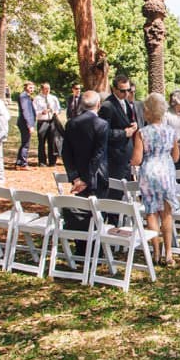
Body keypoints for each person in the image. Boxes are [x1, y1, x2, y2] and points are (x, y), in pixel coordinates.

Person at [131, 92, 180, 267]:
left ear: (148, 112)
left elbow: (137, 159)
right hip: (166, 172)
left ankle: (156, 253)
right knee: (166, 213)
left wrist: (131, 160)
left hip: (149, 172)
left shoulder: (141, 132)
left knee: (151, 213)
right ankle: (168, 253)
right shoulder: (170, 131)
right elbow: (176, 157)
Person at [60, 90, 109, 254]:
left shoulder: (71, 123)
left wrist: (75, 177)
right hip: (96, 176)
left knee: (79, 212)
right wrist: (87, 179)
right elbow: (98, 154)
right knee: (96, 212)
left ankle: (81, 248)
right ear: (98, 105)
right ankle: (95, 251)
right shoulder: (101, 124)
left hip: (79, 176)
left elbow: (66, 153)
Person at [99, 74, 139, 183]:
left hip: (127, 155)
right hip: (115, 157)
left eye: (128, 90)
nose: (126, 94)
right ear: (114, 89)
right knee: (116, 193)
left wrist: (134, 125)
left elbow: (128, 121)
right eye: (122, 91)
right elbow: (103, 133)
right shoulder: (107, 106)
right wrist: (123, 133)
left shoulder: (125, 102)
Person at [34, 82, 63, 167]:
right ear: (42, 89)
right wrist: (41, 112)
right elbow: (34, 111)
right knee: (42, 141)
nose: (47, 90)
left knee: (52, 141)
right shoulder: (37, 99)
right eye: (45, 89)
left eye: (48, 89)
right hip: (42, 121)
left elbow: (58, 108)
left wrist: (56, 112)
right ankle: (42, 161)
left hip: (52, 121)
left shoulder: (53, 98)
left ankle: (52, 161)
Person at [15, 81, 36, 170]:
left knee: (25, 143)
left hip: (25, 122)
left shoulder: (27, 96)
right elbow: (25, 111)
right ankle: (23, 163)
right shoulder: (23, 96)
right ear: (25, 87)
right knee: (25, 144)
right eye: (30, 87)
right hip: (24, 123)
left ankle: (19, 163)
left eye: (33, 88)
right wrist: (29, 125)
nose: (32, 89)